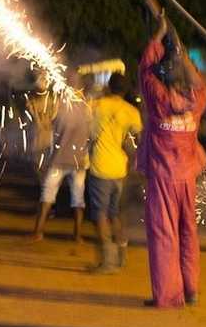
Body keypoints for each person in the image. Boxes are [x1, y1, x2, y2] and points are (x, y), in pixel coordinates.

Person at [136, 9, 206, 308]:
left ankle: (168, 295)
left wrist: (158, 35)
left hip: (164, 177)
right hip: (187, 175)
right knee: (188, 231)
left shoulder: (159, 100)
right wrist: (181, 54)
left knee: (164, 233)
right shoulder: (196, 101)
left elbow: (145, 68)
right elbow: (201, 83)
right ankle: (191, 289)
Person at [87, 73, 143, 273]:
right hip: (120, 168)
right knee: (115, 213)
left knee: (100, 215)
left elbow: (89, 132)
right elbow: (137, 138)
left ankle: (108, 261)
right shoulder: (131, 111)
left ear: (109, 87)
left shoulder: (97, 105)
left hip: (100, 167)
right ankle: (121, 255)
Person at [30, 75, 93, 244]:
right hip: (78, 161)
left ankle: (38, 232)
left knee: (47, 197)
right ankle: (78, 236)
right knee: (78, 200)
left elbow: (49, 126)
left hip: (58, 160)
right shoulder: (87, 110)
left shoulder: (60, 108)